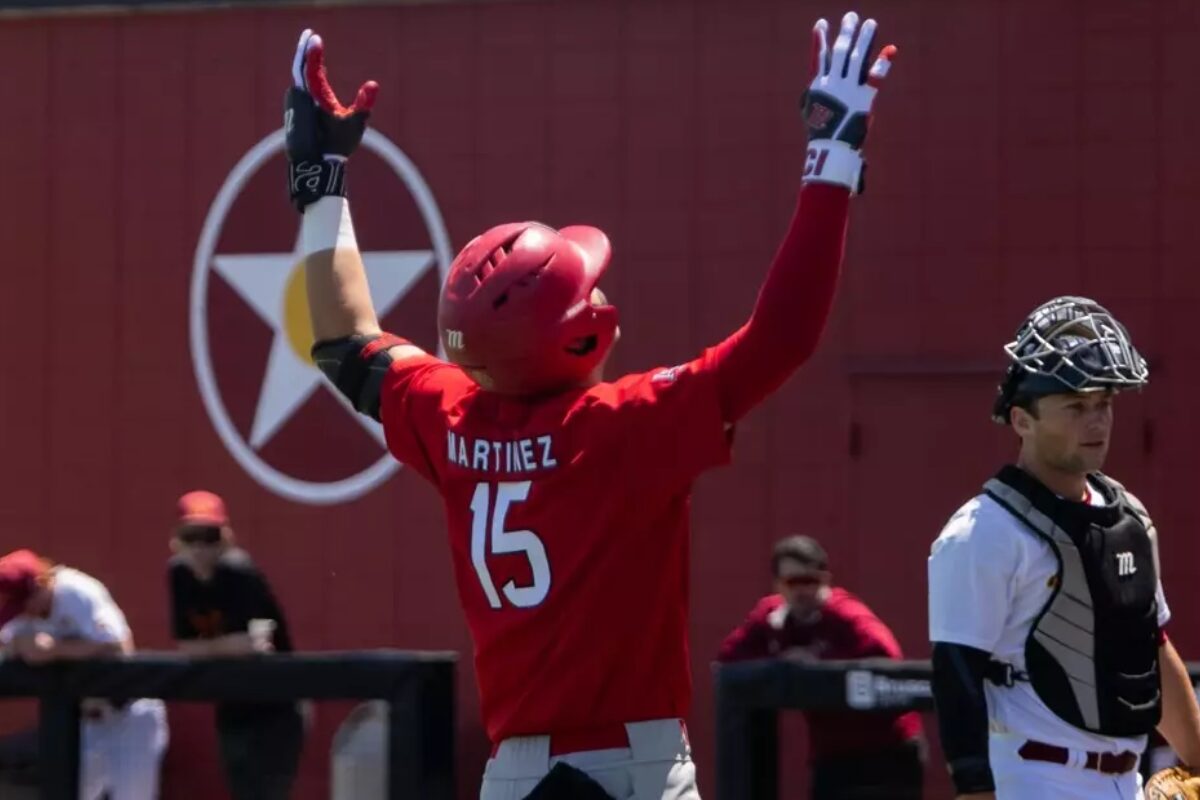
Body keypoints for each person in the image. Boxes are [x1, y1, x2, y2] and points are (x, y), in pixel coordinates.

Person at [283, 11, 896, 798]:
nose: (602, 286)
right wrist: (832, 161)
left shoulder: (450, 412)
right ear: (578, 337)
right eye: (589, 284)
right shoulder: (621, 426)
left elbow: (341, 338)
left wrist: (320, 179)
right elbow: (783, 337)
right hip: (633, 771)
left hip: (516, 777)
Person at [927, 296, 1200, 800]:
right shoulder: (982, 532)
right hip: (1032, 779)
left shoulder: (1129, 517)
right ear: (1021, 420)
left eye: (1104, 404)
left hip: (1130, 781)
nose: (1096, 422)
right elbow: (956, 679)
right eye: (1075, 406)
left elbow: (1152, 648)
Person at [717, 535, 924, 799]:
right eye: (793, 582)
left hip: (887, 753)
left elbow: (886, 654)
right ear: (778, 585)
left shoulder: (845, 614)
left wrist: (817, 663)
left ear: (825, 580)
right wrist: (779, 661)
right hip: (831, 756)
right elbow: (728, 659)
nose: (802, 591)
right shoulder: (771, 617)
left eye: (810, 581)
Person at [167, 490, 305, 800]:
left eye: (210, 536)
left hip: (278, 703)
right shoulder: (179, 574)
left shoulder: (238, 571)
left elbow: (254, 645)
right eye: (192, 536)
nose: (201, 547)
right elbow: (187, 646)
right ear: (176, 539)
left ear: (226, 537)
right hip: (234, 702)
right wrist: (227, 646)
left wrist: (210, 649)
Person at [0, 548, 168, 800]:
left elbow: (118, 646)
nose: (24, 612)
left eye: (24, 603)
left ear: (40, 584)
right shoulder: (25, 613)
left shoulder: (76, 592)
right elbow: (9, 640)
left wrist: (55, 650)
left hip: (129, 716)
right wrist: (17, 646)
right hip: (86, 721)